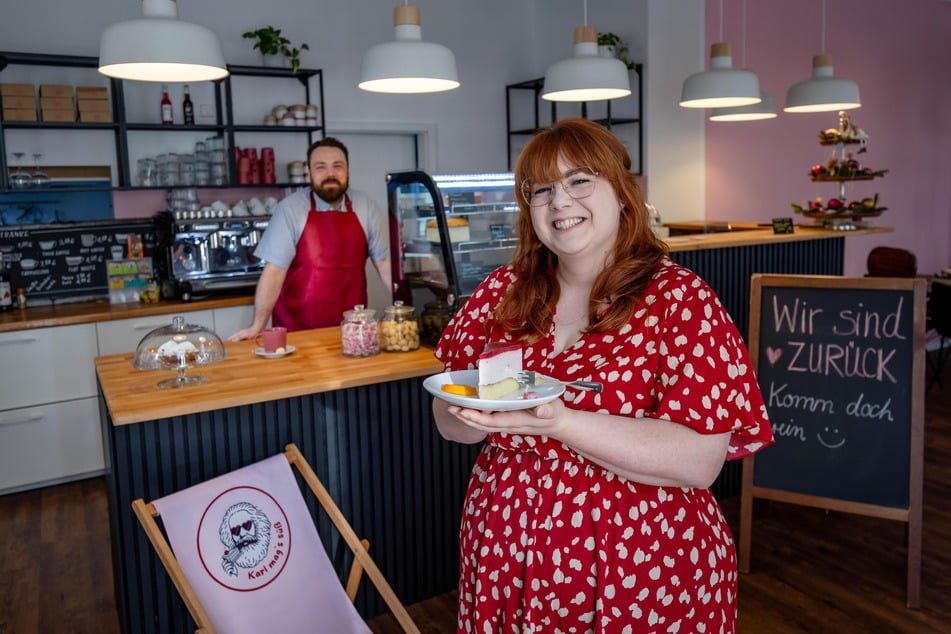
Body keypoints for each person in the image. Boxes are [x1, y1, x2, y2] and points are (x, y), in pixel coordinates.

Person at [432, 118, 774, 633]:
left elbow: (701, 460)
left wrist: (560, 423)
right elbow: (447, 418)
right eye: (542, 189)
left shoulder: (680, 300)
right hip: (505, 551)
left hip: (643, 566)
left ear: (622, 191)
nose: (560, 202)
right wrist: (475, 415)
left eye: (580, 181)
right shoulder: (503, 290)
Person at [229, 137, 391, 340]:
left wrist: (405, 309)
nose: (330, 174)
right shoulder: (290, 208)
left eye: (337, 166)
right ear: (310, 174)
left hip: (352, 332)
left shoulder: (366, 205)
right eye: (321, 167)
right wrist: (257, 326)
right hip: (298, 332)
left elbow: (384, 263)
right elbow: (274, 271)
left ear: (348, 171)